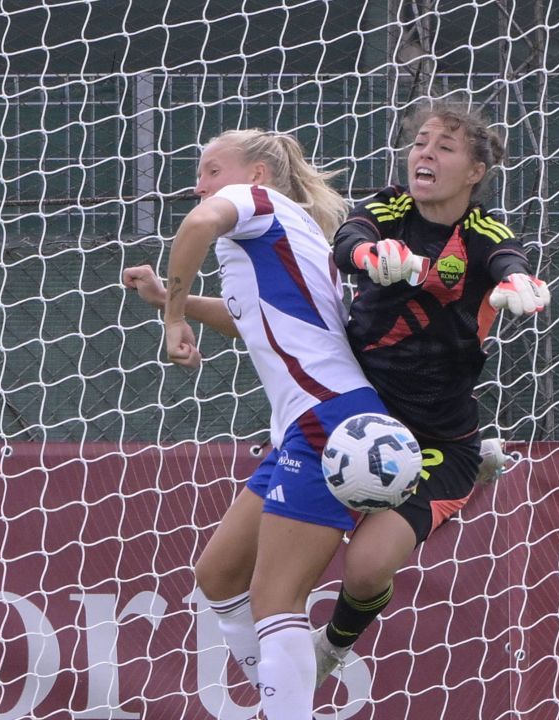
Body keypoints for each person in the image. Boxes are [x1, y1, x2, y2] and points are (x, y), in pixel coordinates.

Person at [128, 128, 392, 720]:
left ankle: (288, 708)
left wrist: (172, 316)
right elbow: (251, 318)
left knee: (278, 599)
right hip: (308, 423)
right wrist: (172, 301)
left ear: (256, 175)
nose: (200, 185)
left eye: (211, 169)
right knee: (219, 575)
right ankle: (282, 702)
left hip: (329, 420)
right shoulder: (286, 226)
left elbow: (196, 227)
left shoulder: (257, 204)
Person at [311, 98, 550, 684]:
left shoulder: (481, 231)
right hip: (356, 412)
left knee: (365, 570)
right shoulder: (390, 207)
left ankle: (333, 646)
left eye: (444, 147)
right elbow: (350, 238)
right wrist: (371, 254)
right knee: (290, 550)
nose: (425, 153)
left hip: (437, 436)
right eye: (420, 142)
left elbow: (508, 259)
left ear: (475, 172)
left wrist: (520, 281)